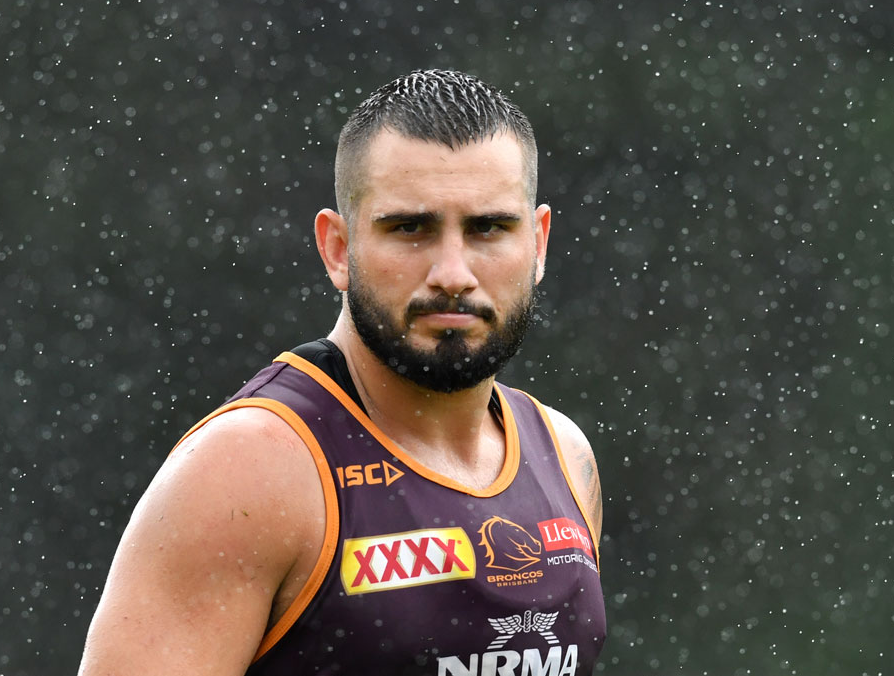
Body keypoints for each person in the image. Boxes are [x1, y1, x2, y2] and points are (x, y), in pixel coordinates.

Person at [79, 70, 606, 676]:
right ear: (337, 248)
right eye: (410, 228)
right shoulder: (251, 470)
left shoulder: (564, 456)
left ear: (538, 244)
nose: (452, 274)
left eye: (488, 228)